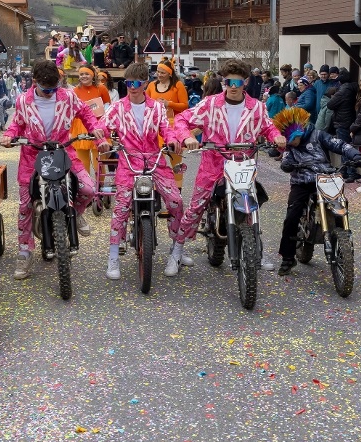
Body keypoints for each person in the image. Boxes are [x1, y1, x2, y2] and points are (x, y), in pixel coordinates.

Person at [172, 60, 286, 275]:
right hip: (213, 164)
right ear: (223, 82)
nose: (233, 86)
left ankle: (256, 252)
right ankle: (177, 250)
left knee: (251, 207)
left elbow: (269, 127)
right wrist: (187, 138)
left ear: (246, 82)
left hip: (243, 164)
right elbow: (182, 119)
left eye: (238, 82)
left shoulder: (257, 107)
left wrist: (277, 136)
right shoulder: (210, 104)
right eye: (228, 82)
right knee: (196, 206)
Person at [0, 60, 108, 280]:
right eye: (46, 89)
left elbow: (86, 114)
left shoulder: (67, 96)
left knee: (88, 190)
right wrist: (9, 136)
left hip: (63, 152)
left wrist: (96, 129)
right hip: (32, 156)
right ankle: (24, 252)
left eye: (54, 88)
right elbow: (16, 124)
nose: (50, 93)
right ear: (35, 82)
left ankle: (75, 214)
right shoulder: (23, 101)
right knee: (25, 206)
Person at [100, 63, 186, 280]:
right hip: (129, 162)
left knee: (176, 201)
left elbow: (166, 129)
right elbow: (102, 127)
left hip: (155, 160)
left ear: (146, 83)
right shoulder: (117, 108)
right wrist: (102, 140)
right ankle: (113, 258)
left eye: (137, 83)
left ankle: (176, 251)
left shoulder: (156, 107)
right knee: (120, 207)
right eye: (128, 83)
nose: (132, 87)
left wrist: (173, 140)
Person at [273, 107, 361, 275]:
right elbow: (285, 161)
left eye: (292, 140)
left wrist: (355, 155)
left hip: (326, 179)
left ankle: (343, 243)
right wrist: (287, 165)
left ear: (298, 132)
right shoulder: (289, 148)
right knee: (292, 216)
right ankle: (287, 257)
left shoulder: (318, 135)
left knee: (341, 207)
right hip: (302, 182)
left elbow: (339, 145)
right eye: (288, 142)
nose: (291, 144)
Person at [146, 60, 189, 187]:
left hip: (173, 126)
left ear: (170, 74)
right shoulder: (151, 86)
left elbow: (185, 106)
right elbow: (145, 102)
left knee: (176, 163)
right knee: (156, 162)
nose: (159, 74)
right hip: (155, 127)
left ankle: (178, 193)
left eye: (162, 72)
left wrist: (169, 103)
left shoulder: (178, 86)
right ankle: (156, 193)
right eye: (158, 71)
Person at [70, 65, 112, 190]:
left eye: (86, 74)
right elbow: (72, 110)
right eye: (81, 74)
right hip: (80, 126)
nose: (84, 77)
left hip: (97, 127)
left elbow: (108, 106)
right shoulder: (75, 91)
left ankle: (100, 186)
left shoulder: (101, 88)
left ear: (92, 75)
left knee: (98, 160)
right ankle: (86, 187)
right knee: (82, 161)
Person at [326, 67, 358, 182]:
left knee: (344, 147)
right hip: (350, 120)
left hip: (342, 122)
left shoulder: (342, 91)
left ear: (340, 81)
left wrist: (333, 95)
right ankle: (346, 170)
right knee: (348, 146)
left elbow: (330, 105)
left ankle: (349, 172)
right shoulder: (353, 88)